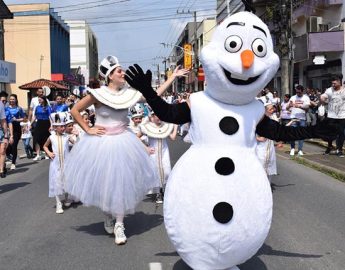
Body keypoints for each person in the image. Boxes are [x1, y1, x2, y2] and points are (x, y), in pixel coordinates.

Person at [64, 55, 157, 245]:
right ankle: (108, 215)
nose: (123, 73)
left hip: (124, 141)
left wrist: (172, 78)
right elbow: (75, 110)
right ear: (110, 76)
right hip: (102, 143)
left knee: (121, 183)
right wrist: (88, 128)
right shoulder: (97, 94)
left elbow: (153, 97)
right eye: (119, 70)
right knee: (106, 183)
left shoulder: (128, 94)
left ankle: (120, 224)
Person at [140, 108, 178, 203]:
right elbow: (136, 137)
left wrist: (175, 127)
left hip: (164, 152)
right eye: (156, 115)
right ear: (152, 116)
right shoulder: (148, 127)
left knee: (166, 172)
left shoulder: (165, 126)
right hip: (154, 153)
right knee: (156, 172)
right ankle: (159, 194)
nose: (159, 117)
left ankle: (163, 190)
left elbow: (173, 137)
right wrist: (146, 148)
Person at [43, 112, 70, 214]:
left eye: (64, 126)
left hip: (66, 162)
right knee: (56, 181)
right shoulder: (51, 137)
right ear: (55, 127)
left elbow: (76, 142)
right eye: (61, 126)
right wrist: (49, 152)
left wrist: (77, 136)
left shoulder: (67, 136)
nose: (63, 128)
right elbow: (45, 146)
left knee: (66, 180)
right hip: (56, 163)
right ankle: (58, 202)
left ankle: (67, 198)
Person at [320, 74, 345, 157]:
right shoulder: (329, 90)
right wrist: (322, 98)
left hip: (342, 116)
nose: (333, 85)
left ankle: (339, 149)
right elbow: (324, 95)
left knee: (341, 133)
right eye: (332, 83)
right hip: (331, 116)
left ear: (339, 81)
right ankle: (329, 146)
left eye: (334, 83)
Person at [256, 103, 277, 183]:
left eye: (273, 109)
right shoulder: (259, 119)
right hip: (260, 146)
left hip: (269, 145)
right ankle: (260, 184)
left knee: (270, 163)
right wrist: (256, 138)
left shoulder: (272, 118)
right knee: (261, 162)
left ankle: (267, 185)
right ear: (265, 110)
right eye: (271, 109)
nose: (273, 110)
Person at [286, 85, 310, 156]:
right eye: (296, 92)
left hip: (302, 118)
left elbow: (307, 108)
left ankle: (300, 150)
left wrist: (299, 106)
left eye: (299, 92)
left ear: (302, 91)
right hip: (293, 118)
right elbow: (287, 108)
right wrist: (289, 106)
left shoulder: (306, 98)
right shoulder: (293, 97)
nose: (297, 93)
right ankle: (292, 148)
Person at [5, 94, 25, 169]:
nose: (11, 100)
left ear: (16, 100)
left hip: (16, 128)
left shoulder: (19, 108)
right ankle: (8, 155)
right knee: (7, 146)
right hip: (7, 128)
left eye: (13, 99)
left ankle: (13, 163)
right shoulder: (6, 108)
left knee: (14, 145)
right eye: (10, 99)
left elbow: (24, 118)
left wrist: (16, 119)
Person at [31, 96, 52, 161]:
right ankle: (38, 155)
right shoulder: (37, 107)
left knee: (45, 139)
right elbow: (35, 116)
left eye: (40, 99)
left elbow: (50, 116)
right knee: (36, 138)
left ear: (44, 100)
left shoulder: (48, 107)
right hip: (39, 123)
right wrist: (30, 124)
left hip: (46, 123)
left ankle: (46, 154)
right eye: (38, 99)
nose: (39, 100)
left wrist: (51, 125)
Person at [0, 94, 9, 178]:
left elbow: (3, 121)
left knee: (2, 150)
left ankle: (1, 170)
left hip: (0, 132)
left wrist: (6, 136)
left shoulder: (1, 105)